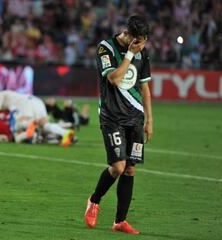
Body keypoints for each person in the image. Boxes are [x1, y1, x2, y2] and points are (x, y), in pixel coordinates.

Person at [84, 15, 153, 234]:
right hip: (112, 116)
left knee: (130, 169)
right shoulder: (106, 48)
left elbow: (144, 88)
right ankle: (94, 201)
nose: (142, 45)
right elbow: (113, 79)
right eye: (139, 40)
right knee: (118, 167)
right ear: (129, 35)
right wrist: (130, 55)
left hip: (135, 118)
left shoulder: (142, 51)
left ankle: (120, 221)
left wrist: (149, 119)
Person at [0, 90, 75, 147]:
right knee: (44, 124)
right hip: (36, 101)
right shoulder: (10, 96)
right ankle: (65, 133)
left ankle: (29, 135)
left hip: (27, 104)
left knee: (28, 123)